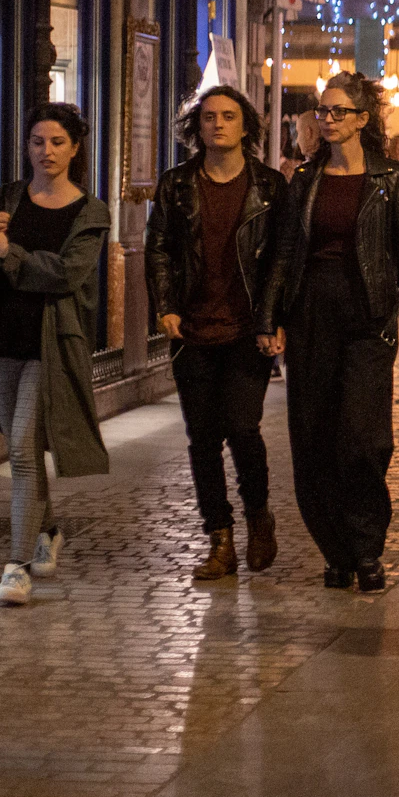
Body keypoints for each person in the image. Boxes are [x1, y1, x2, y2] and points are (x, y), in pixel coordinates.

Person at [259, 73, 399, 593]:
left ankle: (366, 548)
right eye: (323, 111)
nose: (328, 120)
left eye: (338, 112)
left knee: (364, 440)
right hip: (311, 314)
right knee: (312, 438)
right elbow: (285, 256)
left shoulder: (388, 179)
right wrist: (268, 321)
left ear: (363, 118)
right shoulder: (305, 180)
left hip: (367, 318)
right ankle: (335, 552)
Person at [0, 102, 111, 606]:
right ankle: (49, 530)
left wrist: (9, 253)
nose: (46, 151)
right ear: (26, 146)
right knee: (20, 447)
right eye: (38, 142)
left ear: (75, 147)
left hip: (48, 346)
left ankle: (15, 568)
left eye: (57, 142)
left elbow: (66, 274)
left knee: (22, 452)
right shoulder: (5, 197)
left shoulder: (89, 211)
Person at [147, 85, 290, 581]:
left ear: (245, 126)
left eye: (229, 117)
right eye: (209, 117)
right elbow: (159, 248)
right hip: (192, 330)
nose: (218, 125)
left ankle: (258, 516)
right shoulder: (177, 185)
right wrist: (165, 308)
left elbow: (280, 261)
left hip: (247, 329)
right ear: (197, 126)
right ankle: (220, 540)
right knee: (202, 439)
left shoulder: (270, 188)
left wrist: (274, 321)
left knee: (244, 430)